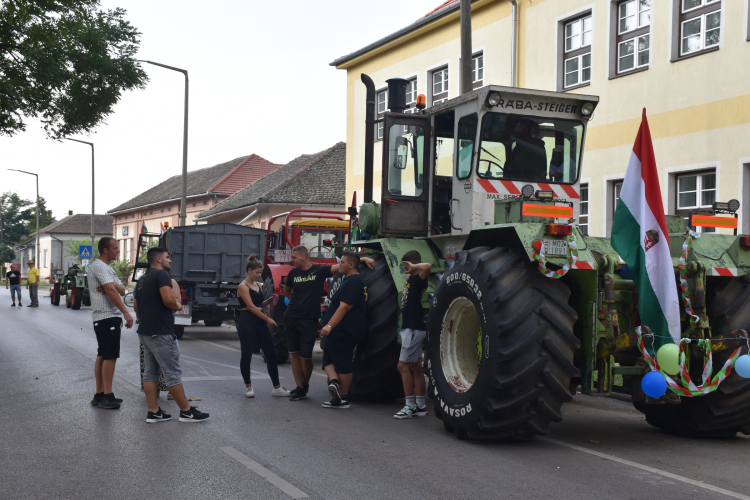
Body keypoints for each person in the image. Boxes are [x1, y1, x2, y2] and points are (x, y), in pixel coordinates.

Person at [283, 245, 374, 401]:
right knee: (294, 354)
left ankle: (305, 385)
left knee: (305, 356)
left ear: (303, 256)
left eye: (294, 257)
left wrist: (362, 259)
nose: (292, 260)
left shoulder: (319, 271)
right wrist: (296, 303)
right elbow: (286, 291)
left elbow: (341, 266)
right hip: (291, 317)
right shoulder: (292, 273)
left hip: (309, 319)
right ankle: (299, 387)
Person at [137, 246, 209, 423]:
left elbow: (136, 306)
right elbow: (169, 300)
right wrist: (178, 305)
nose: (170, 260)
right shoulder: (162, 275)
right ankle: (186, 411)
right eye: (168, 257)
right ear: (159, 259)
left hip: (146, 331)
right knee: (172, 373)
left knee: (150, 373)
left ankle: (154, 412)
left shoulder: (142, 279)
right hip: (161, 332)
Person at [87, 237, 134, 410]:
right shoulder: (99, 266)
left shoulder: (108, 269)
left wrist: (112, 284)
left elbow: (121, 289)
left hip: (106, 318)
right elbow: (111, 291)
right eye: (115, 248)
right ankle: (107, 395)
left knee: (103, 354)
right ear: (105, 250)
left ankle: (100, 394)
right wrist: (126, 312)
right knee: (110, 355)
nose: (118, 251)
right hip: (106, 316)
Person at [236, 255, 290, 398]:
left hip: (259, 322)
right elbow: (252, 307)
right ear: (249, 270)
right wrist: (268, 319)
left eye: (260, 273)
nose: (259, 275)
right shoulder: (242, 286)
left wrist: (271, 300)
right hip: (247, 322)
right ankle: (248, 386)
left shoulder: (258, 286)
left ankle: (277, 387)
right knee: (247, 355)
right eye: (257, 273)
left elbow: (260, 305)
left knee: (271, 354)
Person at [320, 252, 368, 409]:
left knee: (343, 362)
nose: (339, 264)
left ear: (351, 265)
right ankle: (334, 383)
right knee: (327, 358)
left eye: (342, 262)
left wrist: (329, 326)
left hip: (344, 329)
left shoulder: (354, 281)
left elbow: (345, 306)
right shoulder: (348, 280)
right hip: (337, 330)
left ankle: (343, 397)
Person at [394, 250, 431, 419]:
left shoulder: (419, 279)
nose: (404, 269)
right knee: (415, 367)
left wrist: (414, 266)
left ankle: (409, 406)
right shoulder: (410, 280)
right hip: (410, 328)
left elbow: (428, 266)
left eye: (406, 265)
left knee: (402, 366)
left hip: (414, 329)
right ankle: (421, 405)